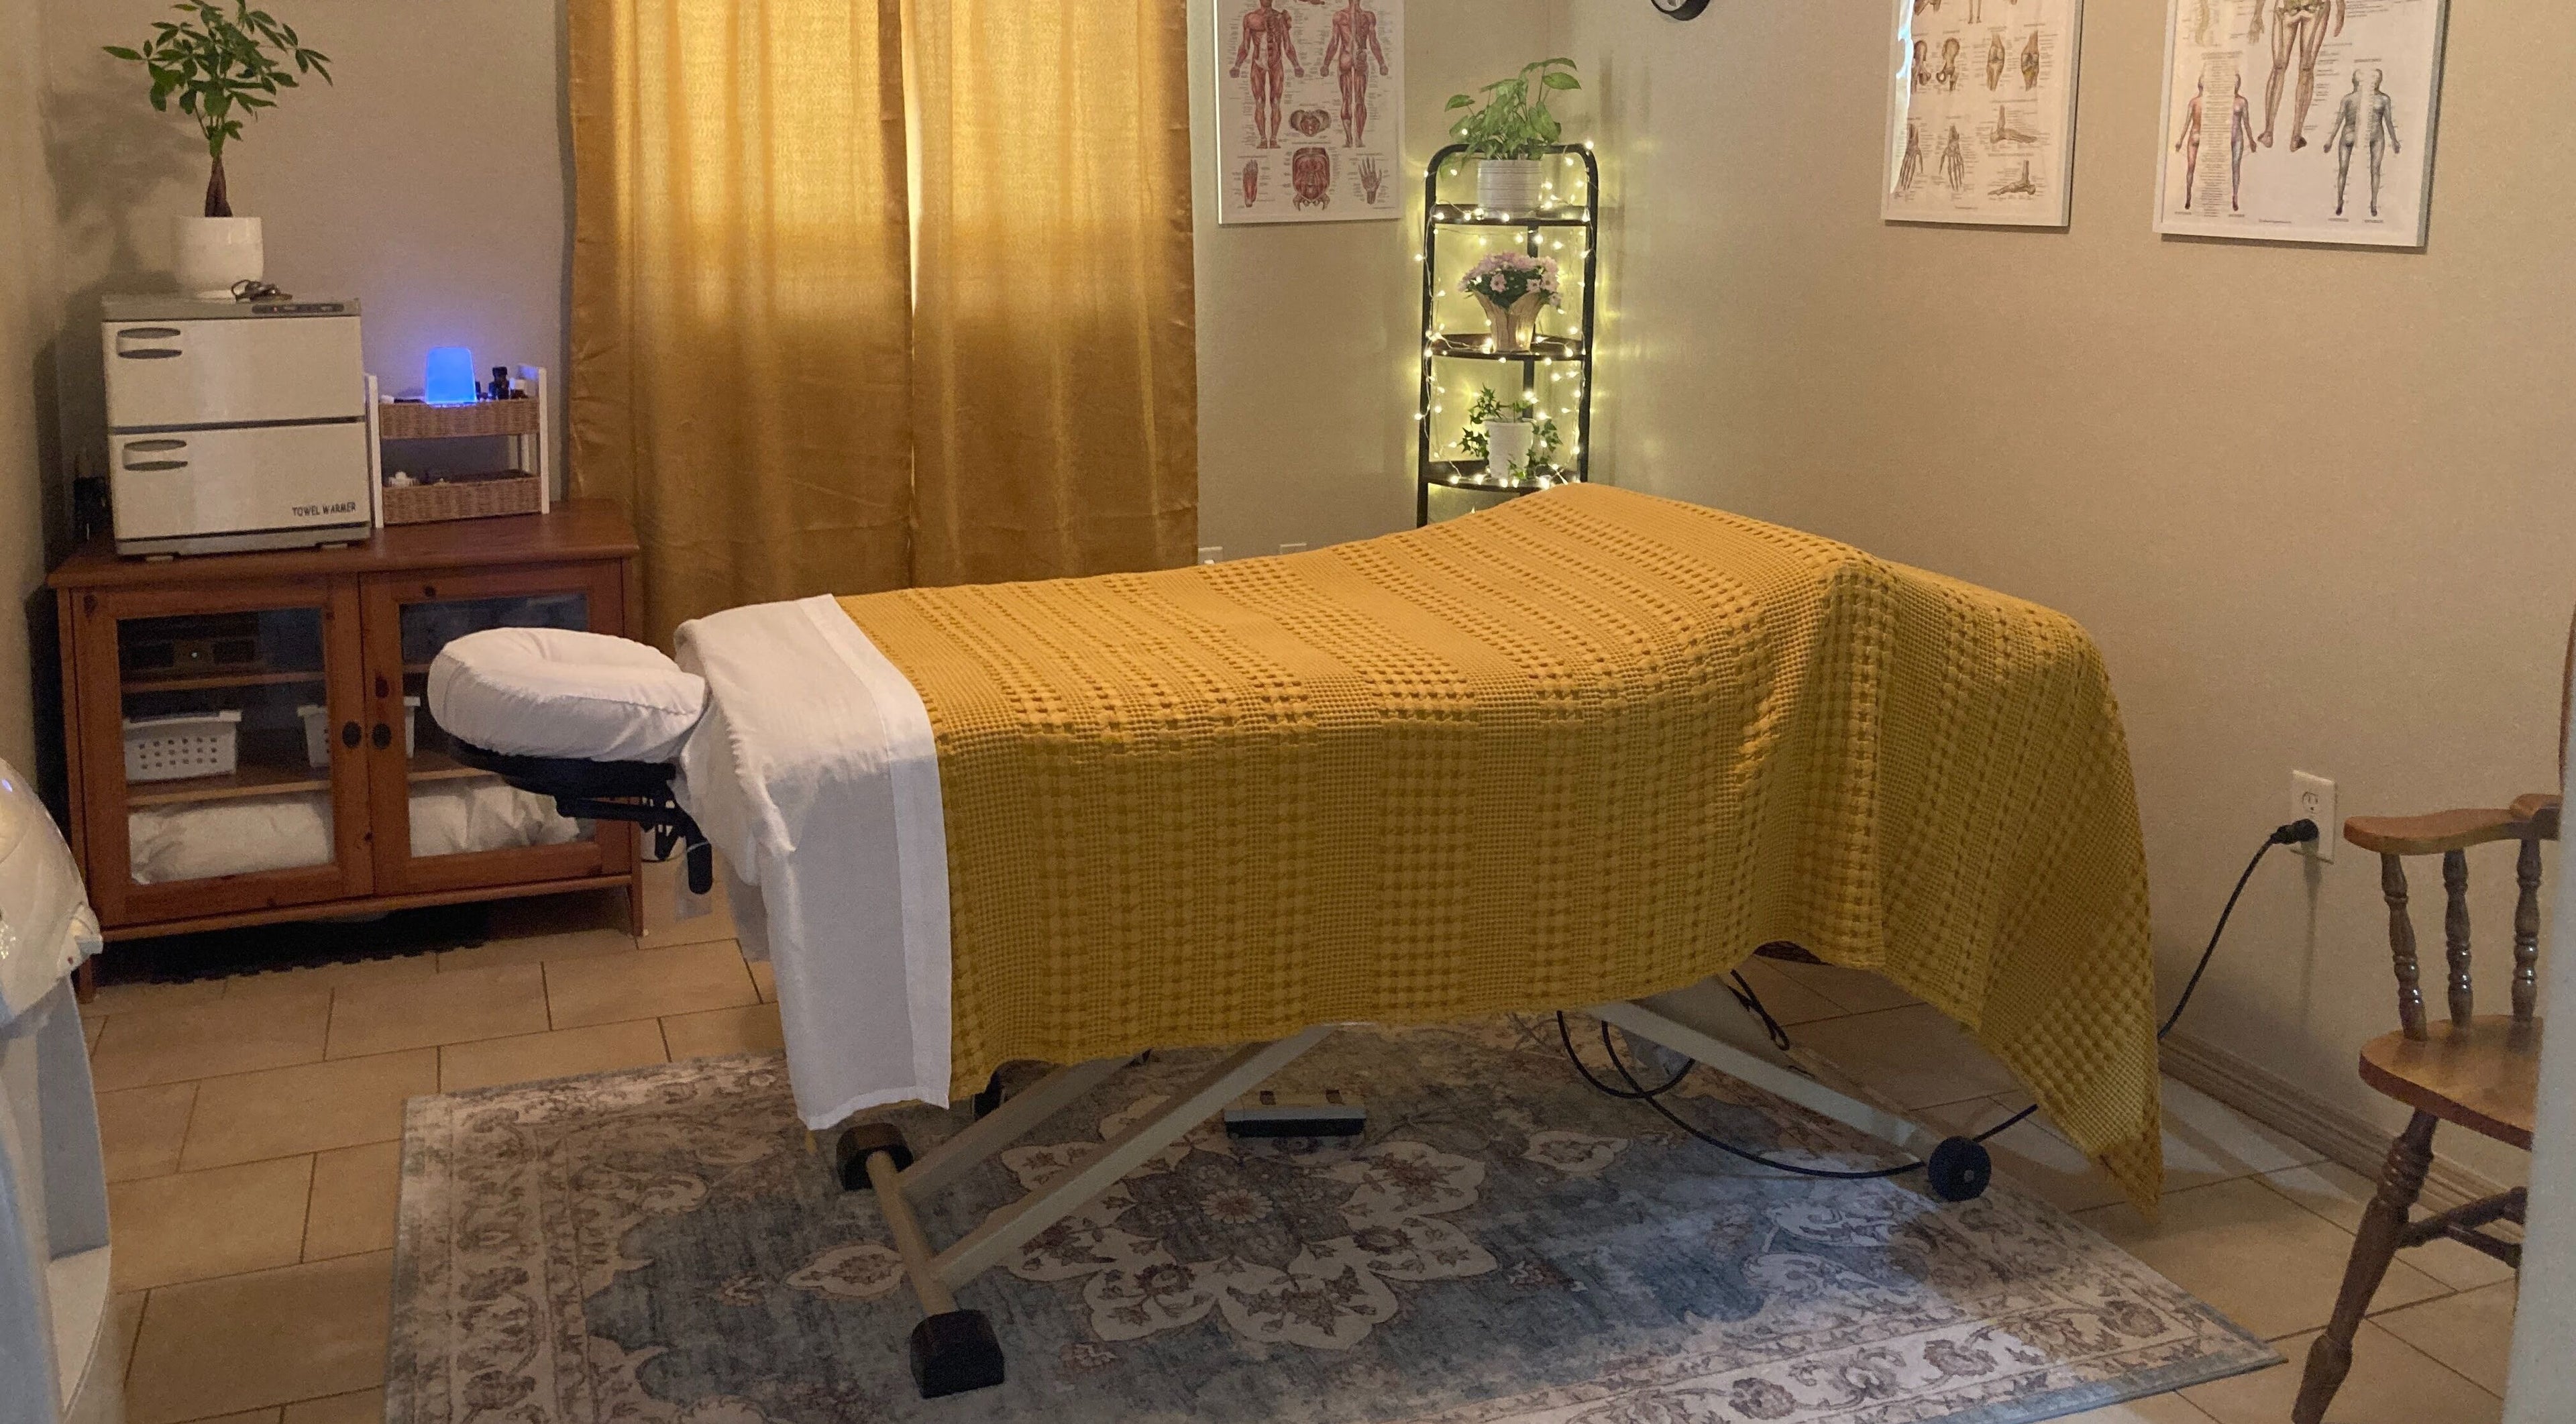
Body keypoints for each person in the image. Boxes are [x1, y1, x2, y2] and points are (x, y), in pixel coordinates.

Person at [2251, 0, 2344, 151]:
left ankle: (2292, 134)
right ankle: (2275, 132)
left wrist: (2341, 8)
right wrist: (2257, 14)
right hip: (2293, 8)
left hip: (2313, 7)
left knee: (2302, 68)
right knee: (2282, 66)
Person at [2325, 68, 2402, 216]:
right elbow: (2389, 123)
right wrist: (2395, 141)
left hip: (2355, 134)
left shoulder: (2348, 99)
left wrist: (2330, 140)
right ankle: (2371, 204)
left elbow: (2338, 122)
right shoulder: (2383, 100)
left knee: (2345, 170)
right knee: (2373, 170)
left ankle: (2346, 203)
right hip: (2373, 134)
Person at [1230, 0, 1305, 150]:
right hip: (1258, 63)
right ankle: (1263, 139)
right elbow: (1245, 46)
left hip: (1276, 63)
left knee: (1276, 102)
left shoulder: (1280, 18)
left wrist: (1296, 64)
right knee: (1259, 102)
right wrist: (1237, 65)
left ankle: (1274, 139)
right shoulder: (1250, 18)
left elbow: (1287, 45)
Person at [1321, 0, 1390, 148]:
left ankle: (1350, 139)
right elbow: (1373, 42)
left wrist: (1326, 64)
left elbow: (1334, 42)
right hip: (1360, 58)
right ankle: (1357, 139)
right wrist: (1381, 64)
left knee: (1347, 99)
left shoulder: (1340, 16)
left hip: (1347, 57)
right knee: (1360, 100)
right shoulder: (1367, 17)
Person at [2173, 79, 2205, 208]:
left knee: (2191, 167)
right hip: (2203, 136)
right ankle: (2189, 196)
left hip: (2195, 134)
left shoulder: (2194, 102)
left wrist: (2180, 140)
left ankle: (2188, 196)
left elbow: (2187, 124)